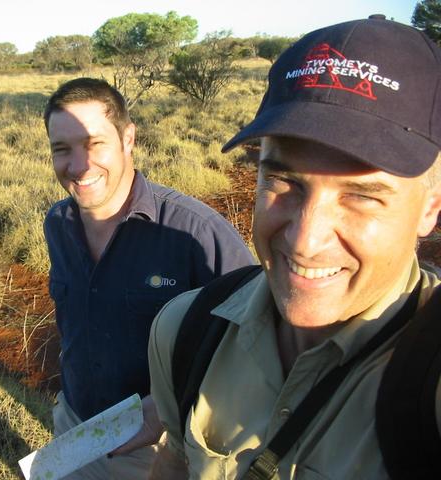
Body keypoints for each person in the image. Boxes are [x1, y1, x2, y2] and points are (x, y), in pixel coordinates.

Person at [148, 15, 441, 479]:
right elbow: (175, 460)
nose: (305, 240)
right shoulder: (186, 330)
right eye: (282, 180)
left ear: (431, 208)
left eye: (362, 196)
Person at [43, 77, 254, 479]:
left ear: (128, 139)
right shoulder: (57, 224)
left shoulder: (196, 232)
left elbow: (254, 343)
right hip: (75, 424)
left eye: (94, 143)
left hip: (163, 447)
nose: (79, 165)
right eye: (61, 149)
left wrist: (164, 410)